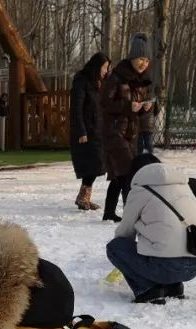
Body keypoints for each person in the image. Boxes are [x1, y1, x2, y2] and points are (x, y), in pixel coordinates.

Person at [105, 154, 196, 304]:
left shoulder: (140, 190)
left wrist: (128, 263)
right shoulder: (183, 185)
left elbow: (125, 233)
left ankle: (147, 289)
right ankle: (173, 287)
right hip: (195, 265)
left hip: (165, 268)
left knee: (115, 247)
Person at [99, 34, 153, 222]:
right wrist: (128, 106)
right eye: (141, 59)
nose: (144, 63)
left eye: (147, 60)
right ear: (132, 57)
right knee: (128, 173)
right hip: (114, 132)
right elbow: (104, 103)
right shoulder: (116, 77)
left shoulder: (143, 81)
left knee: (118, 175)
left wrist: (146, 108)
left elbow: (139, 113)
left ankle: (108, 212)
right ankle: (132, 215)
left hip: (131, 133)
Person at [70, 53, 111, 211]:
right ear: (96, 66)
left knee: (97, 164)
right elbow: (76, 109)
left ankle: (84, 197)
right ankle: (83, 197)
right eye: (104, 67)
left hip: (98, 130)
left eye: (107, 68)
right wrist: (81, 131)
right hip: (86, 131)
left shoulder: (100, 83)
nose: (106, 71)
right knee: (92, 164)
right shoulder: (81, 81)